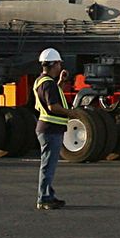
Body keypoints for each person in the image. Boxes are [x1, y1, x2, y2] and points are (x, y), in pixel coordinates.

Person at [33, 48, 76, 211]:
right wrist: (71, 113)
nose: (60, 66)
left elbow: (51, 96)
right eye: (58, 63)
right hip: (50, 129)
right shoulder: (48, 84)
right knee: (48, 165)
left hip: (47, 128)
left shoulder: (42, 81)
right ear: (54, 64)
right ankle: (44, 198)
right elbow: (52, 106)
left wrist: (61, 82)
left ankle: (48, 194)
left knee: (48, 164)